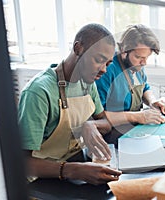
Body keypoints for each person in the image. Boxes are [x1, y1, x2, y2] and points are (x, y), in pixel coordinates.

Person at [18, 23, 122, 185]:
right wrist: (72, 170)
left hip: (74, 163)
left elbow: (106, 123)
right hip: (41, 178)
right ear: (78, 48)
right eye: (99, 60)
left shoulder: (88, 83)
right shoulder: (39, 92)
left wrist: (90, 125)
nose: (104, 70)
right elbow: (22, 163)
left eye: (108, 64)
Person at [95, 24, 165, 142]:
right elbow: (98, 116)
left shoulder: (136, 65)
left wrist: (152, 101)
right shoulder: (107, 69)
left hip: (133, 129)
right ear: (124, 52)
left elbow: (145, 87)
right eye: (139, 57)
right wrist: (138, 116)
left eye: (147, 57)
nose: (144, 62)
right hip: (111, 135)